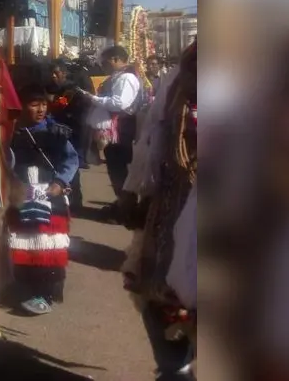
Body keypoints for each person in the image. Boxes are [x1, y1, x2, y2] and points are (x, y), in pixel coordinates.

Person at [120, 40, 196, 380]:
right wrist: (136, 194)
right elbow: (153, 140)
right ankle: (174, 368)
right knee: (158, 299)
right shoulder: (179, 78)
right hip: (171, 205)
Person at [6, 85, 79, 315]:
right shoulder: (10, 133)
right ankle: (25, 289)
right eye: (34, 104)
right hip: (20, 195)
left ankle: (45, 293)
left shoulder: (57, 133)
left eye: (44, 104)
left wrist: (60, 183)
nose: (40, 109)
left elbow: (71, 160)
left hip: (50, 196)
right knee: (22, 243)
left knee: (48, 246)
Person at [75, 45, 142, 222]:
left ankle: (127, 210)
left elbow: (119, 103)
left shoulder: (126, 78)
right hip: (116, 130)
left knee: (120, 170)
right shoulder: (118, 77)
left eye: (105, 61)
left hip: (120, 130)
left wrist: (93, 99)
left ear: (115, 59)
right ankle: (123, 205)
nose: (103, 65)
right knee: (116, 169)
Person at [49, 58, 93, 206]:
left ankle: (75, 200)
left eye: (56, 73)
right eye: (52, 73)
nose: (53, 76)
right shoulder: (64, 89)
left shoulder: (70, 89)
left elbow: (60, 106)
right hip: (69, 130)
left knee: (71, 165)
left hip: (73, 132)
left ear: (64, 73)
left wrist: (51, 104)